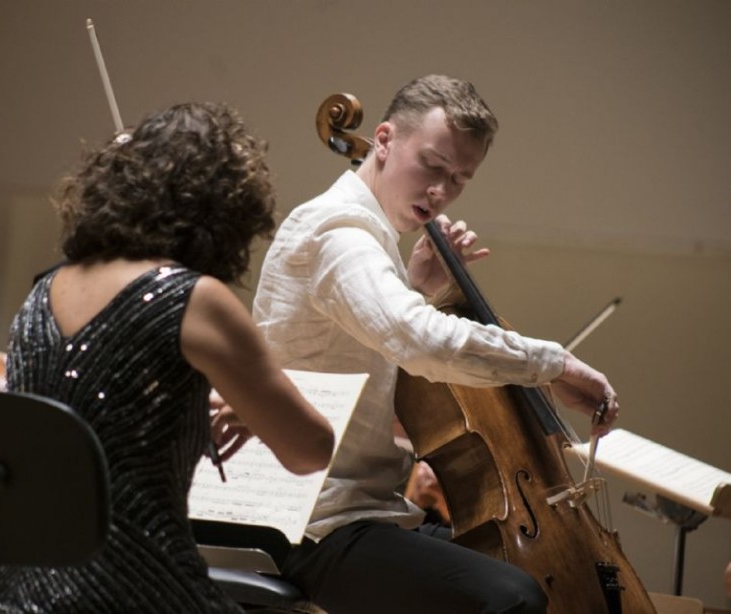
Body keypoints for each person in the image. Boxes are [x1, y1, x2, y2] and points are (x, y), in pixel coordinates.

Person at [252, 74, 620, 614]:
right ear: (382, 140)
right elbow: (417, 339)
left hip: (365, 514)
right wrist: (555, 364)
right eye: (432, 165)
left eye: (459, 180)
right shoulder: (339, 234)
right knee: (512, 599)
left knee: (520, 574)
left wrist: (414, 288)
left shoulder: (365, 241)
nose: (441, 191)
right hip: (313, 527)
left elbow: (376, 344)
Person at [0, 102, 335, 613]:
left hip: (2, 588)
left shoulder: (41, 293)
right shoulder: (192, 298)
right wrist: (248, 410)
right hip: (130, 586)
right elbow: (309, 449)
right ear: (226, 212)